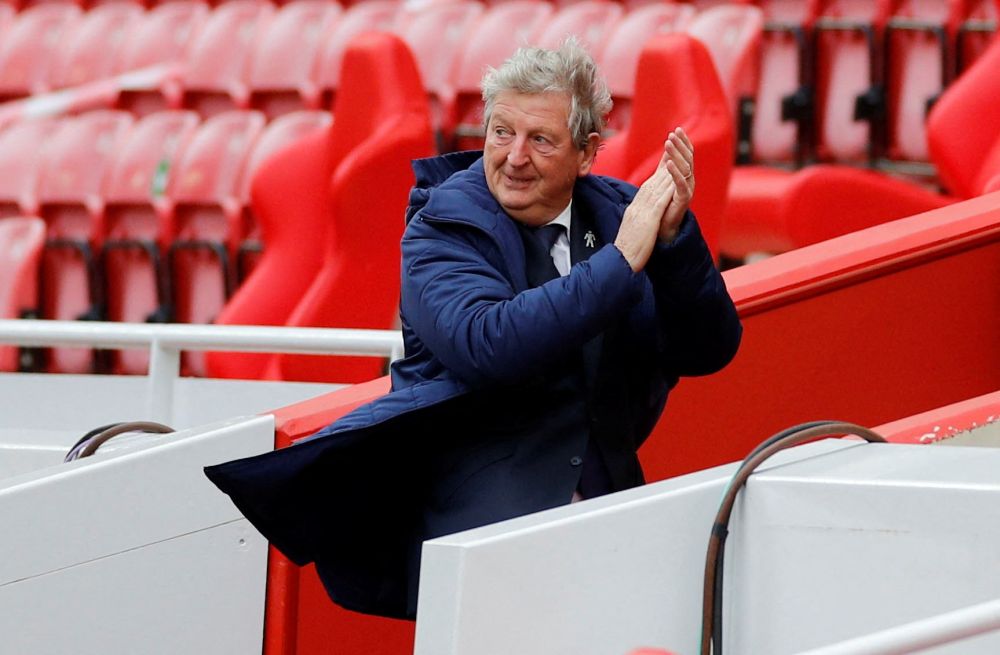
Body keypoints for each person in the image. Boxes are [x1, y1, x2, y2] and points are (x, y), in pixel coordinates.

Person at [205, 37, 741, 621]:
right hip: (481, 530)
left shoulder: (620, 213)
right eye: (501, 132)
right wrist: (620, 261)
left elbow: (709, 348)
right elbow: (491, 345)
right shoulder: (443, 224)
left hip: (609, 517)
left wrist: (671, 242)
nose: (514, 157)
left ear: (586, 154)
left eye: (540, 140)